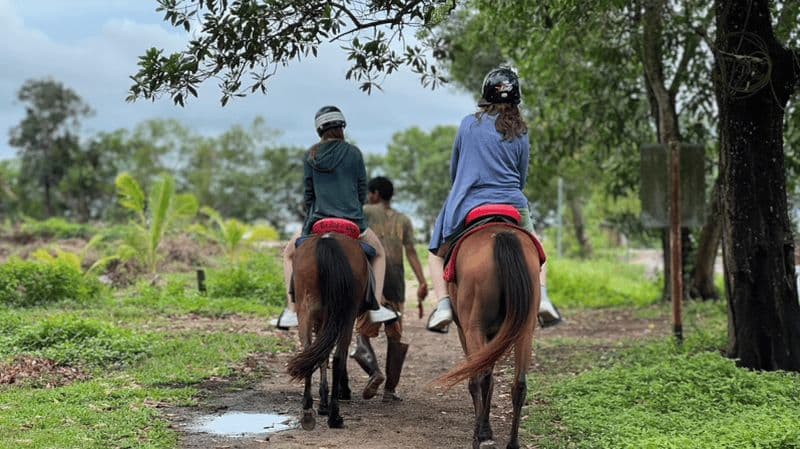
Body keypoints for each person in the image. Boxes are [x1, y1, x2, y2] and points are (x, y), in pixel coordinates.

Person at [426, 67, 562, 333]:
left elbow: (456, 169)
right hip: (512, 202)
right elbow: (521, 177)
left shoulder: (468, 124)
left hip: (469, 201)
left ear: (486, 96)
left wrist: (463, 187)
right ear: (516, 98)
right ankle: (543, 299)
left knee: (435, 253)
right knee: (537, 249)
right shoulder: (521, 131)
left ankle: (442, 306)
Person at [273, 106, 398, 329]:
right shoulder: (354, 153)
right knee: (379, 253)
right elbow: (361, 193)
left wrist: (310, 219)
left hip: (317, 223)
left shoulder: (311, 155)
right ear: (342, 127)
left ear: (319, 129)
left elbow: (308, 196)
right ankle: (376, 308)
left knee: (288, 255)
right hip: (352, 224)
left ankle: (292, 311)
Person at [350, 176, 428, 402]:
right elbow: (411, 252)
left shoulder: (364, 211)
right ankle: (390, 391)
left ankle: (374, 373)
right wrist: (422, 280)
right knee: (395, 335)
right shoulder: (403, 219)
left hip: (373, 281)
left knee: (363, 332)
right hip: (397, 283)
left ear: (374, 194)